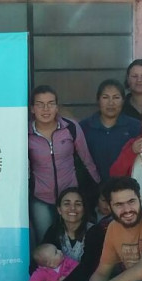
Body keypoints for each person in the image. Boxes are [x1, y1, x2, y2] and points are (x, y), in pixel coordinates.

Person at [27, 85, 99, 243]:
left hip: (71, 196)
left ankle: (73, 269)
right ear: (32, 108)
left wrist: (100, 190)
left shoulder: (71, 127)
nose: (46, 109)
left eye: (51, 103)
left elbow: (87, 160)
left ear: (57, 107)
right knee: (45, 242)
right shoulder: (26, 133)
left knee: (73, 240)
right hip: (41, 199)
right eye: (40, 104)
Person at [79, 79, 141, 183]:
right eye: (105, 97)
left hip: (125, 188)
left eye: (116, 97)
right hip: (92, 189)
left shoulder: (135, 127)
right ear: (98, 100)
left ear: (123, 100)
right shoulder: (84, 127)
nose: (111, 103)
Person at [41, 188, 92, 263]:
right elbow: (40, 260)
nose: (72, 208)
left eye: (78, 204)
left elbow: (90, 266)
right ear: (59, 210)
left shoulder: (94, 231)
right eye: (67, 204)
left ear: (84, 209)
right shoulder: (53, 230)